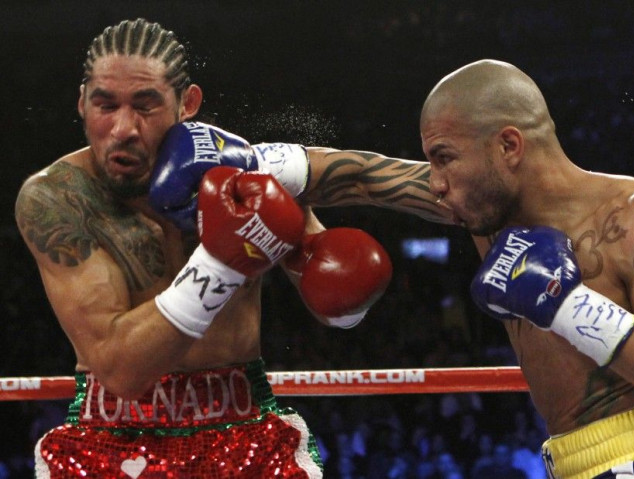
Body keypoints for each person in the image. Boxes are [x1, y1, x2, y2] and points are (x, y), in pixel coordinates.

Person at [14, 18, 448, 478]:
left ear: (187, 104)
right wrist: (221, 259)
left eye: (146, 106)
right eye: (105, 105)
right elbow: (121, 371)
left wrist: (341, 292)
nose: (123, 128)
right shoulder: (59, 199)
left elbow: (358, 191)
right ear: (81, 103)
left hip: (245, 431)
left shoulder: (240, 172)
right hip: (111, 438)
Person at [419, 59, 634, 477]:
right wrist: (300, 169)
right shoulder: (482, 201)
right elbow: (365, 177)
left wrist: (567, 305)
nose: (436, 183)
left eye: (445, 158)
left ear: (509, 146)